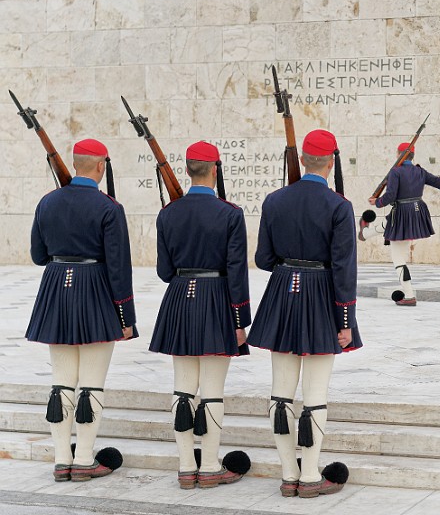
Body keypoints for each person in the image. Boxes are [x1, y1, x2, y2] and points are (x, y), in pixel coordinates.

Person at [247, 129, 361, 499]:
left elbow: (263, 259)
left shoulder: (275, 200)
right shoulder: (339, 206)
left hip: (282, 293)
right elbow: (344, 268)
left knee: (281, 392)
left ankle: (288, 473)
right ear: (331, 162)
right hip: (321, 297)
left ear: (301, 161)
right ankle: (310, 475)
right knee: (315, 394)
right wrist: (344, 321)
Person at [26, 138, 136, 482]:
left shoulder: (47, 202)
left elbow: (38, 255)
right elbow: (119, 268)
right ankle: (85, 458)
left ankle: (62, 460)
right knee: (91, 385)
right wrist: (126, 318)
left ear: (76, 165)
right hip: (96, 292)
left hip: (57, 289)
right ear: (101, 166)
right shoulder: (108, 207)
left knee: (61, 384)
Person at [148, 141, 251, 490]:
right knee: (212, 392)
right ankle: (208, 467)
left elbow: (164, 271)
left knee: (182, 389)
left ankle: (185, 467)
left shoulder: (168, 213)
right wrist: (241, 321)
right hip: (217, 299)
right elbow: (237, 271)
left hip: (179, 298)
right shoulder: (230, 213)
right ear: (215, 170)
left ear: (188, 170)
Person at [365, 143, 440, 306]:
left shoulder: (395, 172)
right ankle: (365, 234)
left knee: (398, 258)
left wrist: (377, 202)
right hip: (417, 212)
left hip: (402, 213)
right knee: (389, 225)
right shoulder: (420, 171)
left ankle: (409, 295)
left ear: (399, 154)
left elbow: (391, 196)